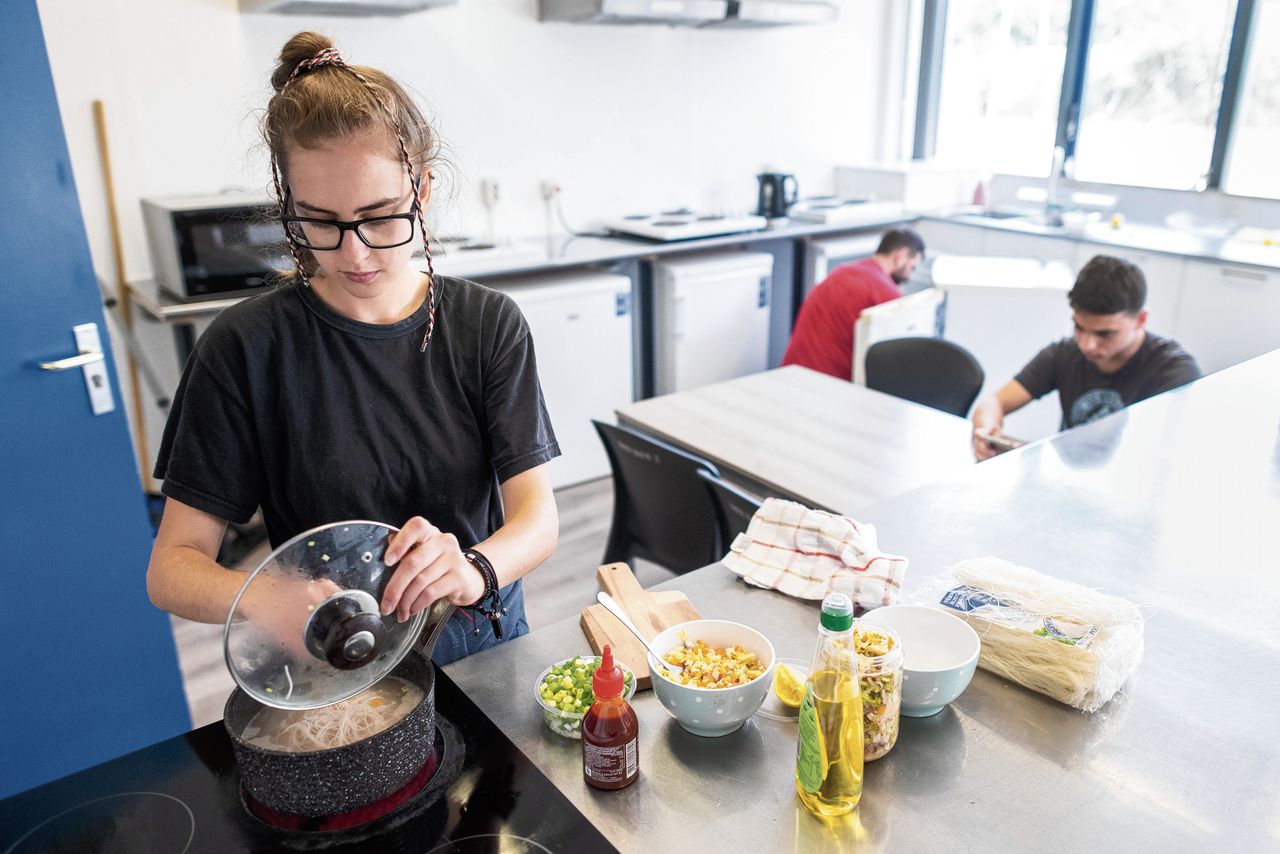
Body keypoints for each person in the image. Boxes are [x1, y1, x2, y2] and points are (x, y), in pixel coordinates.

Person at [146, 33, 560, 665]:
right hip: (337, 666)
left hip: (481, 650)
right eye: (320, 222)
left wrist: (473, 565)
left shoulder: (486, 324)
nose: (355, 253)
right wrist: (262, 596)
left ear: (420, 190)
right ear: (288, 206)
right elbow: (173, 569)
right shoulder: (245, 348)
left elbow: (537, 517)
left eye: (381, 215)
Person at [972, 254, 1201, 461]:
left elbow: (1174, 453)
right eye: (1079, 327)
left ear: (1141, 320)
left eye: (1105, 334)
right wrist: (985, 430)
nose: (1087, 345)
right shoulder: (1064, 353)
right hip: (1068, 483)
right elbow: (994, 402)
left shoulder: (1174, 372)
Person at [781, 228, 925, 382]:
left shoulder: (841, 272)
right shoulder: (884, 292)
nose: (908, 277)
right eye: (912, 267)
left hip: (790, 373)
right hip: (827, 386)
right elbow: (894, 362)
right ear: (901, 255)